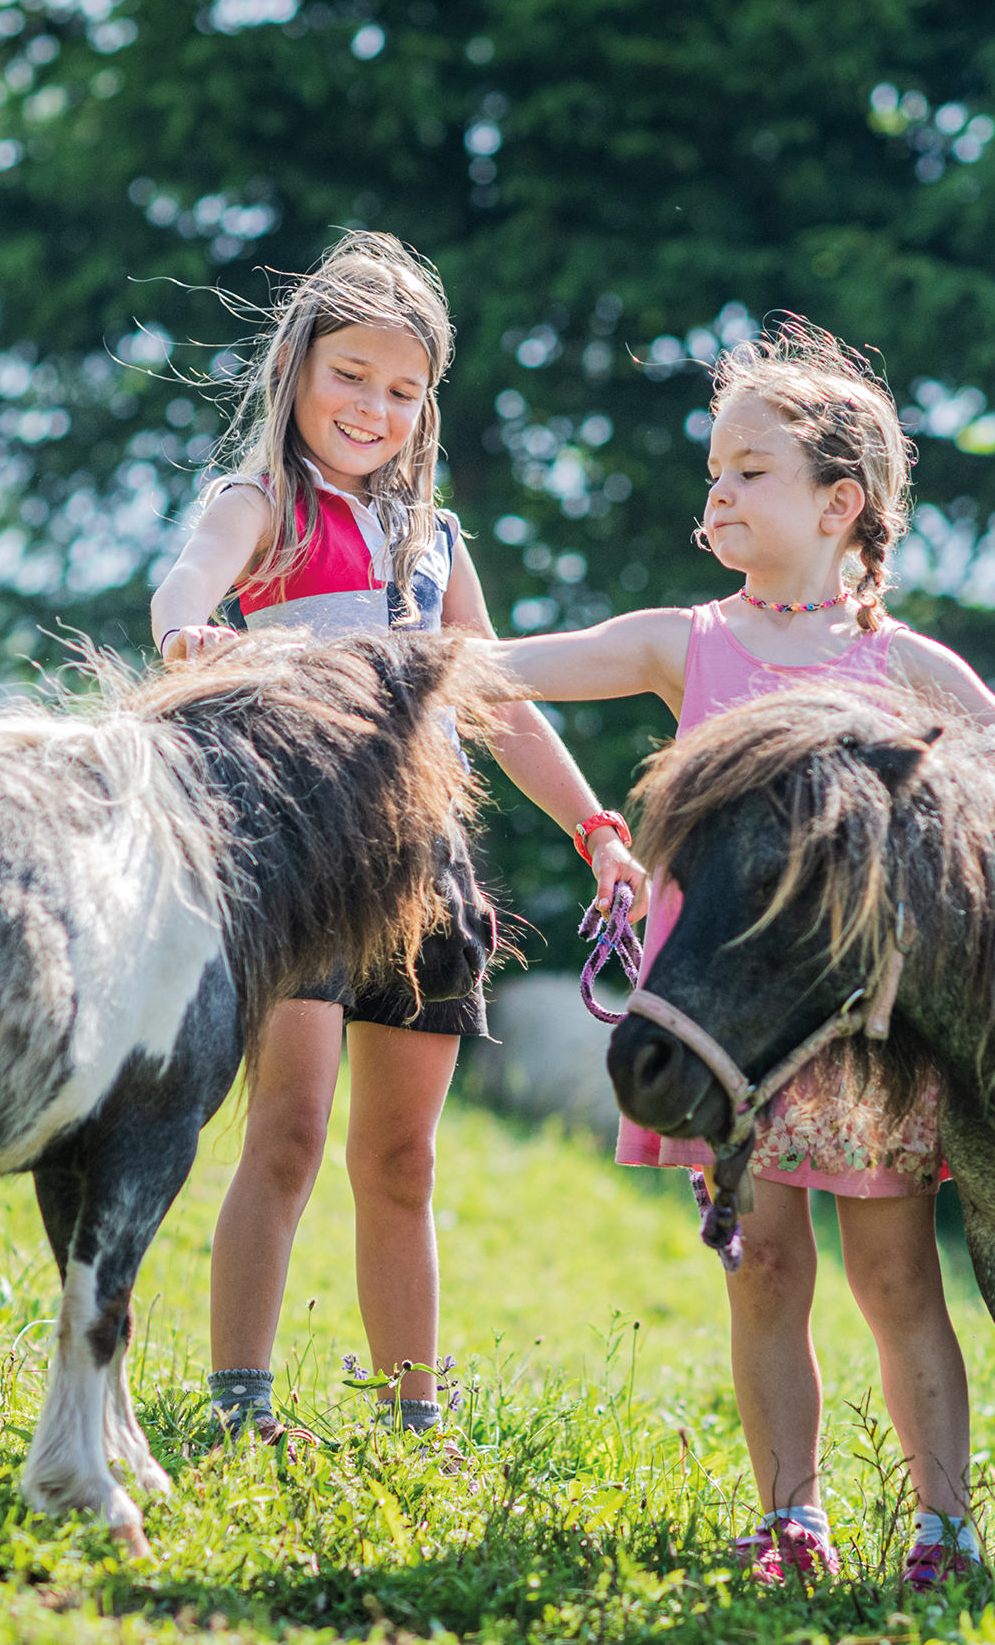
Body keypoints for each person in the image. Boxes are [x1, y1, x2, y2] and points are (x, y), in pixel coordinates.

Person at [475, 320, 995, 1590]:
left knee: (895, 1277)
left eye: (749, 470)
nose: (717, 494)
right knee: (763, 1270)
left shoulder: (896, 663)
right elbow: (500, 668)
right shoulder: (681, 643)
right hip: (718, 1026)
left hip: (862, 1037)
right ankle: (787, 1521)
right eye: (713, 473)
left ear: (840, 501)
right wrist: (333, 650)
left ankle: (944, 1529)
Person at [148, 230, 649, 1443]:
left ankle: (412, 1418)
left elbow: (497, 697)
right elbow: (184, 580)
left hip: (426, 873)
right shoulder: (259, 500)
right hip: (297, 864)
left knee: (404, 1162)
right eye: (348, 376)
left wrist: (593, 828)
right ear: (295, 377)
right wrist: (186, 636)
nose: (371, 406)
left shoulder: (435, 543)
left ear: (426, 405)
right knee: (288, 1131)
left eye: (401, 388)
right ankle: (237, 1405)